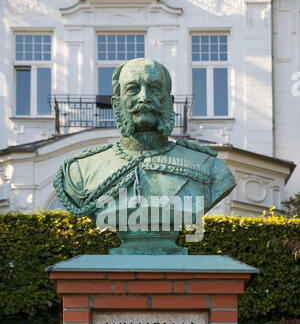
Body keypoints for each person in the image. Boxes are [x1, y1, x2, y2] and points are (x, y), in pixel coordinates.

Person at [54, 58, 236, 252]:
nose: (144, 97)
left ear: (170, 102)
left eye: (155, 88)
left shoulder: (211, 169)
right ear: (116, 104)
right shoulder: (80, 171)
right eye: (133, 88)